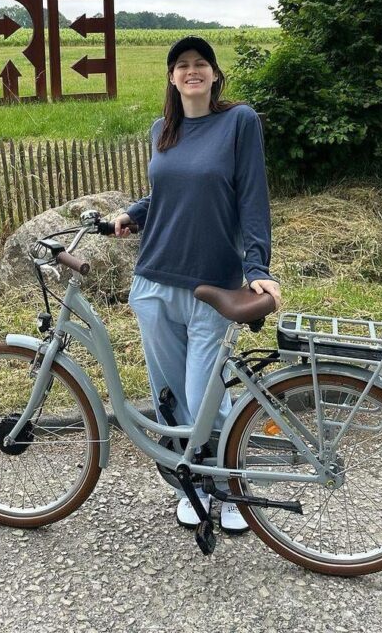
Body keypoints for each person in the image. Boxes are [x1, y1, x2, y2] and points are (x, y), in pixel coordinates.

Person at [113, 35, 281, 534]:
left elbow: (252, 197)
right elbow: (166, 190)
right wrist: (135, 213)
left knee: (205, 395)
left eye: (200, 64)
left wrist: (257, 267)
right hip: (154, 279)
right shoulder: (161, 130)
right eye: (182, 65)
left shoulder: (238, 122)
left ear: (213, 74)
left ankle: (230, 488)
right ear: (171, 77)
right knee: (170, 396)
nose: (192, 71)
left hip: (212, 283)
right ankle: (192, 486)